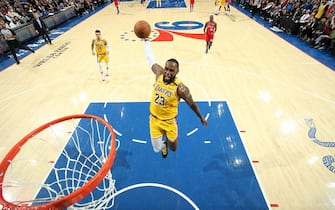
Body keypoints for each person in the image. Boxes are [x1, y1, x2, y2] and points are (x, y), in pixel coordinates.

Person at [143, 40, 208, 158]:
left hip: (169, 121)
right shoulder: (159, 75)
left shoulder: (181, 89)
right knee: (156, 149)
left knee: (173, 148)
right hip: (154, 120)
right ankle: (163, 145)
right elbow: (151, 60)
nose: (167, 72)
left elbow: (191, 104)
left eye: (171, 70)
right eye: (166, 69)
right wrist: (146, 42)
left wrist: (201, 117)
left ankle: (171, 138)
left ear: (177, 71)